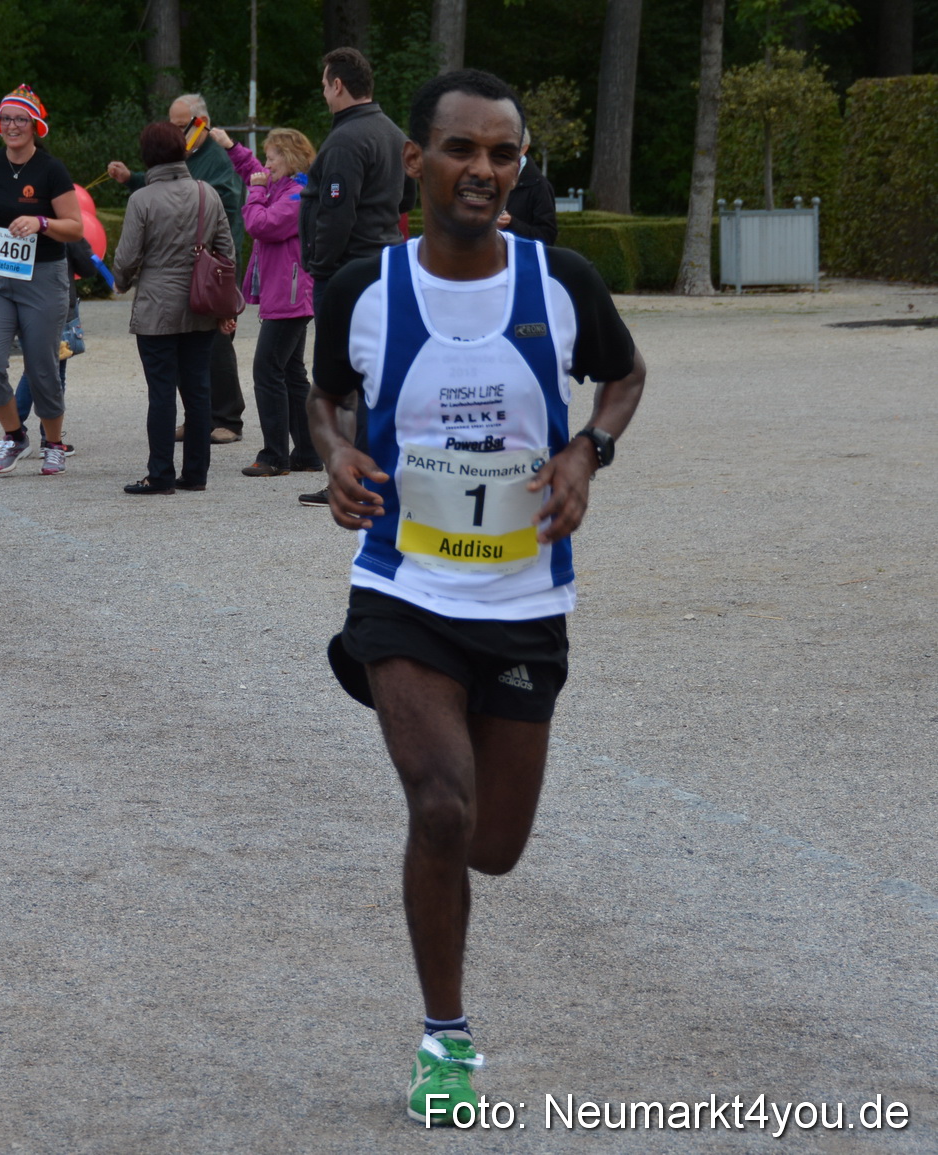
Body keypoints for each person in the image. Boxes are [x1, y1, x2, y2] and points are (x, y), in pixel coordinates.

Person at [308, 69, 645, 1125]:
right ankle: (444, 1039)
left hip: (522, 596)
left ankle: (447, 922)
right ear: (417, 161)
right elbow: (326, 395)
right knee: (439, 801)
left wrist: (588, 449)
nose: (484, 171)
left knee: (490, 844)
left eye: (503, 154)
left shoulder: (561, 282)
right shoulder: (364, 288)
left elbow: (624, 375)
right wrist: (334, 458)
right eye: (463, 149)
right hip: (403, 590)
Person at [300, 47, 416, 510]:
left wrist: (321, 265)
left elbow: (336, 214)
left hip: (349, 271)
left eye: (325, 84)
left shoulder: (346, 140)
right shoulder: (393, 133)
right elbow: (407, 196)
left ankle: (350, 478)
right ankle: (376, 469)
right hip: (384, 262)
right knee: (375, 375)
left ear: (339, 85)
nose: (324, 92)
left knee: (338, 380)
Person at [107, 94, 247, 444]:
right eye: (172, 125)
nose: (177, 132)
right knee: (192, 353)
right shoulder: (187, 159)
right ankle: (199, 423)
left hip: (209, 267)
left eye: (181, 125)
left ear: (202, 123)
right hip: (187, 267)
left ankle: (228, 417)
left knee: (216, 343)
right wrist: (131, 179)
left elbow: (227, 204)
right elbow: (162, 191)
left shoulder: (214, 158)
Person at [0, 84, 83, 476]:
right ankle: (14, 435)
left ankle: (53, 442)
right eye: (6, 119)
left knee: (42, 366)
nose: (12, 126)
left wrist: (41, 222)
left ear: (35, 126)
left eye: (21, 120)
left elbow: (75, 228)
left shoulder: (51, 170)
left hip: (43, 278)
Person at [212, 126, 321, 478]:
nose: (267, 164)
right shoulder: (285, 186)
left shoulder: (298, 194)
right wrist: (232, 148)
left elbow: (260, 224)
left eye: (273, 157)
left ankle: (275, 455)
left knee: (267, 370)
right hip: (288, 295)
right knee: (291, 373)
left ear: (289, 160)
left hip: (290, 297)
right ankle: (307, 452)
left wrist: (256, 192)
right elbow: (252, 171)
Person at [14, 236, 109, 457]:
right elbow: (87, 267)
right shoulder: (64, 228)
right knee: (55, 372)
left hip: (24, 303)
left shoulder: (21, 221)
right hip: (58, 305)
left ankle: (15, 430)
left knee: (33, 368)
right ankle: (49, 438)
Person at [499, 128, 558, 245]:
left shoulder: (538, 185)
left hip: (519, 259)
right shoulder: (488, 175)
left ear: (523, 149)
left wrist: (511, 223)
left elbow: (547, 237)